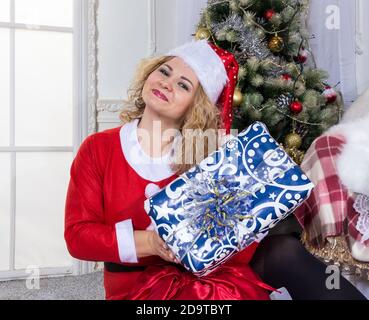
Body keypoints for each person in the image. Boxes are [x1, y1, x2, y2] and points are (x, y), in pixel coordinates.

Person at [64, 39, 366, 300]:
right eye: (164, 71)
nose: (167, 83)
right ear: (148, 74)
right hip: (139, 287)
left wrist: (248, 219)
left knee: (283, 251)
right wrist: (150, 243)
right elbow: (78, 237)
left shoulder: (205, 152)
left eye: (183, 85)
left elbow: (233, 243)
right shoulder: (98, 149)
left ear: (195, 106)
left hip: (206, 276)